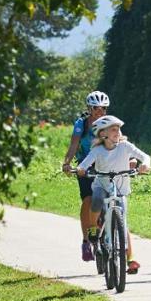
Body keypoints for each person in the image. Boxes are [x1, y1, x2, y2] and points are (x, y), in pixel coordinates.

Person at [76, 114, 151, 274]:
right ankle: (93, 228)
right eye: (113, 130)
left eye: (118, 129)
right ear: (103, 134)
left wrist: (144, 164)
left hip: (120, 188)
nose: (118, 132)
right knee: (96, 200)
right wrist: (81, 169)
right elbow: (85, 163)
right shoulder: (97, 150)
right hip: (102, 185)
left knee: (122, 218)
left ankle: (128, 256)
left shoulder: (125, 146)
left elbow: (144, 156)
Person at [62, 90, 110, 262]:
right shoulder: (81, 124)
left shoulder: (108, 124)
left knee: (110, 199)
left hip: (105, 166)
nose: (100, 112)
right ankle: (85, 241)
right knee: (88, 200)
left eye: (103, 109)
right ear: (89, 108)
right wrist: (67, 163)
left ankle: (111, 231)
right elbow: (74, 144)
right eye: (96, 108)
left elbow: (119, 142)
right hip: (84, 167)